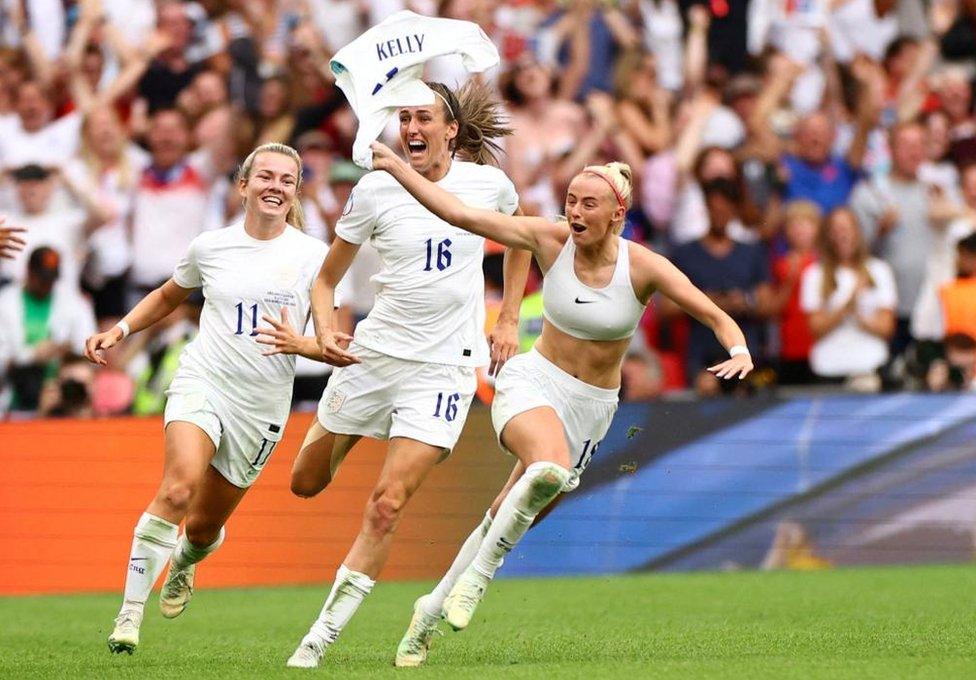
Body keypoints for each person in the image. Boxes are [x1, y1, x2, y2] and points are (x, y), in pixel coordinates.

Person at [368, 141, 753, 667]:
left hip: (592, 408)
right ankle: (477, 582)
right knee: (548, 468)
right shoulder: (548, 239)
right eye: (570, 200)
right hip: (533, 380)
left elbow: (713, 314)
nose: (574, 211)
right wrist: (395, 169)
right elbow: (457, 212)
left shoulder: (644, 267)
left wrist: (739, 349)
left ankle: (428, 611)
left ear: (618, 214)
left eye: (588, 204)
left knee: (509, 514)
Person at [282, 81, 532, 669]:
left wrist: (510, 316)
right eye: (404, 119)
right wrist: (324, 332)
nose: (412, 129)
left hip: (444, 369)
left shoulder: (488, 185)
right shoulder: (374, 190)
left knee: (387, 503)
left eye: (424, 118)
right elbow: (325, 281)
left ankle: (319, 638)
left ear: (451, 130)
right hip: (374, 356)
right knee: (306, 482)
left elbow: (522, 240)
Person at [82, 142, 330, 655]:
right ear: (243, 185)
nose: (274, 187)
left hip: (261, 406)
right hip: (205, 379)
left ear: (296, 191)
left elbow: (331, 340)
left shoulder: (314, 257)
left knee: (201, 526)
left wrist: (302, 344)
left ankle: (186, 563)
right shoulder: (210, 246)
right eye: (265, 176)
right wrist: (121, 329)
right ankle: (128, 615)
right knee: (177, 490)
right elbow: (170, 295)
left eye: (286, 180)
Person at [800, 208, 897, 389]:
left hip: (870, 365)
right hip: (828, 367)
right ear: (827, 236)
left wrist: (858, 315)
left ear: (857, 232)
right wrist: (849, 303)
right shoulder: (814, 275)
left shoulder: (879, 270)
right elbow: (816, 329)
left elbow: (886, 328)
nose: (842, 235)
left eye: (846, 228)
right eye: (836, 230)